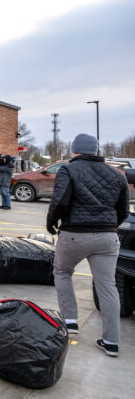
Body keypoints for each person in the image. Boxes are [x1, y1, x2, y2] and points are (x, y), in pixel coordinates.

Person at [47, 133, 128, 357]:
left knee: (62, 272)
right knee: (108, 286)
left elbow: (59, 200)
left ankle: (70, 321)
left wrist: (51, 223)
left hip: (74, 234)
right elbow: (123, 210)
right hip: (108, 237)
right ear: (96, 150)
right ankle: (112, 342)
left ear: (75, 151)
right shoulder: (117, 175)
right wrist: (110, 225)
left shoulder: (68, 170)